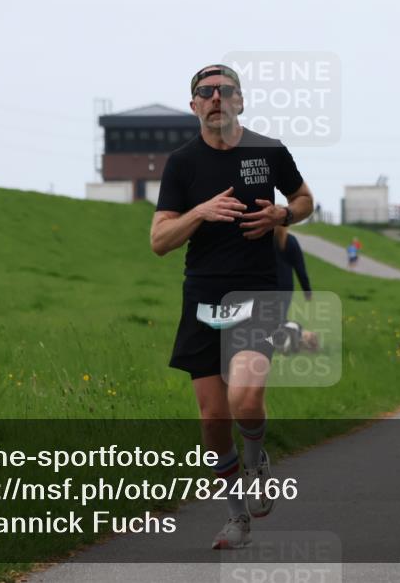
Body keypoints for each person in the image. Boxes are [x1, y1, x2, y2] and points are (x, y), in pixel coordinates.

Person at [150, 64, 313, 549]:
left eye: (226, 91)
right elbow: (159, 240)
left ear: (241, 101)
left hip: (257, 293)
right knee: (213, 418)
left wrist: (284, 213)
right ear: (195, 105)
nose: (216, 97)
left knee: (245, 396)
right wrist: (199, 213)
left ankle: (258, 456)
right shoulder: (182, 164)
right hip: (202, 296)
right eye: (206, 92)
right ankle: (236, 516)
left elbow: (304, 200)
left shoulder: (268, 152)